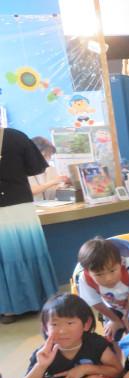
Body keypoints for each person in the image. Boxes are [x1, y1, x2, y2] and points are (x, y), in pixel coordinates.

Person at [0, 127, 58, 324]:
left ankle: (8, 309)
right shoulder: (15, 137)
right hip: (20, 205)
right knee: (28, 252)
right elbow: (37, 168)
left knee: (4, 257)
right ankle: (40, 300)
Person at [75, 237, 129, 341]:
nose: (108, 278)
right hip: (111, 308)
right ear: (88, 272)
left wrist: (128, 316)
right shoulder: (85, 278)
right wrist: (115, 320)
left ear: (121, 262)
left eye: (112, 271)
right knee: (111, 336)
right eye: (99, 274)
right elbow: (95, 303)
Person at [29, 136, 70, 201]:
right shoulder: (23, 170)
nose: (49, 157)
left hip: (51, 205)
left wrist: (65, 184)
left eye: (50, 154)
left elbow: (55, 188)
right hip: (32, 206)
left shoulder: (51, 169)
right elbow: (30, 191)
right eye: (47, 153)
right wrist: (53, 182)